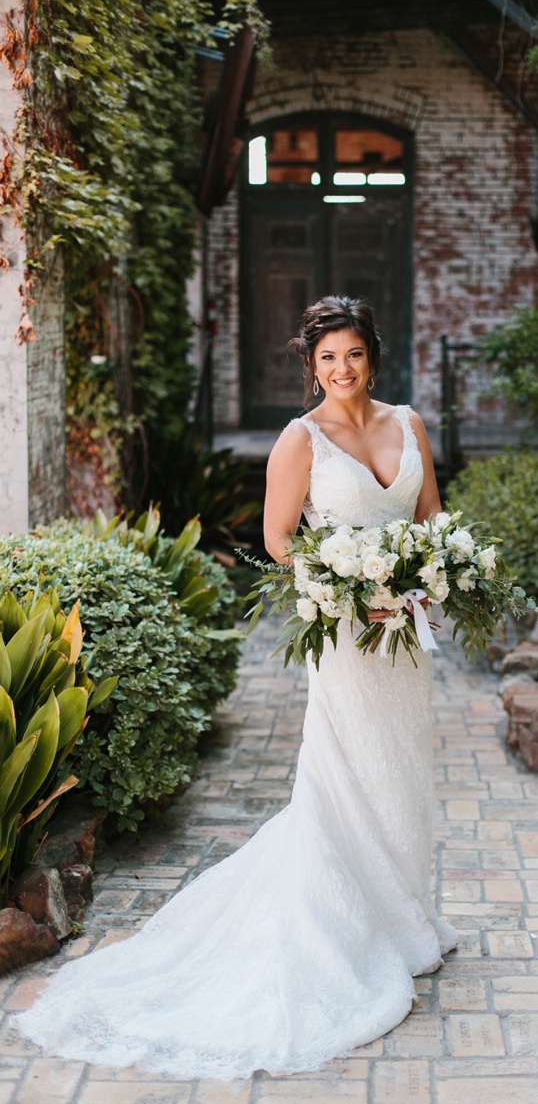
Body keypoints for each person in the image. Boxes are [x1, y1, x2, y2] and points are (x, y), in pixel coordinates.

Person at [15, 296, 457, 1079]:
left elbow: (430, 515)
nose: (342, 370)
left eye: (353, 354)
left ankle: (405, 919)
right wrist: (353, 590)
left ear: (374, 356)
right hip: (350, 633)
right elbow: (280, 540)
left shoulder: (409, 423)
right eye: (328, 358)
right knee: (344, 773)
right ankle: (340, 924)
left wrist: (426, 577)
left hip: (405, 640)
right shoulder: (301, 438)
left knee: (402, 768)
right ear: (310, 365)